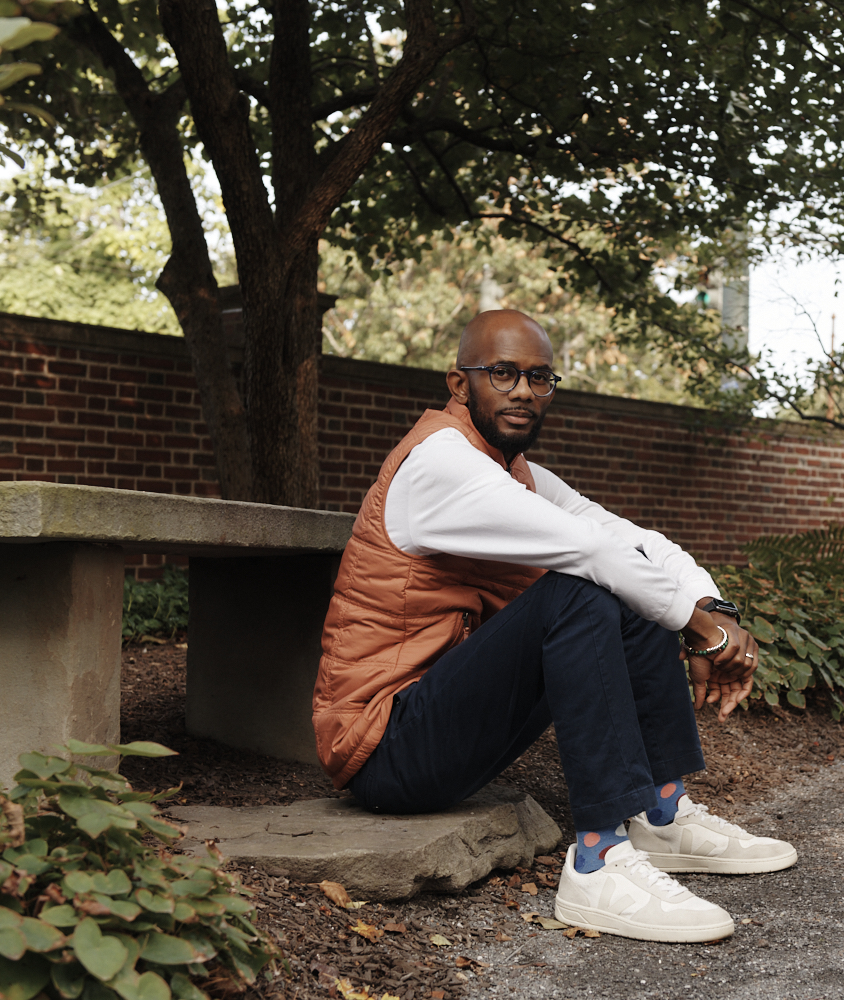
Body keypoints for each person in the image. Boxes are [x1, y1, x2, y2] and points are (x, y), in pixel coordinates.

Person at [314, 308, 796, 943]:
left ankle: (661, 812)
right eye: (504, 373)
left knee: (622, 579)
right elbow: (593, 555)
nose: (523, 391)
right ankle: (596, 863)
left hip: (445, 724)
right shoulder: (439, 463)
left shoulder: (515, 474)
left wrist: (718, 611)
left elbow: (630, 540)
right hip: (384, 748)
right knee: (585, 587)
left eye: (539, 377)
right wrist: (701, 631)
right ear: (460, 384)